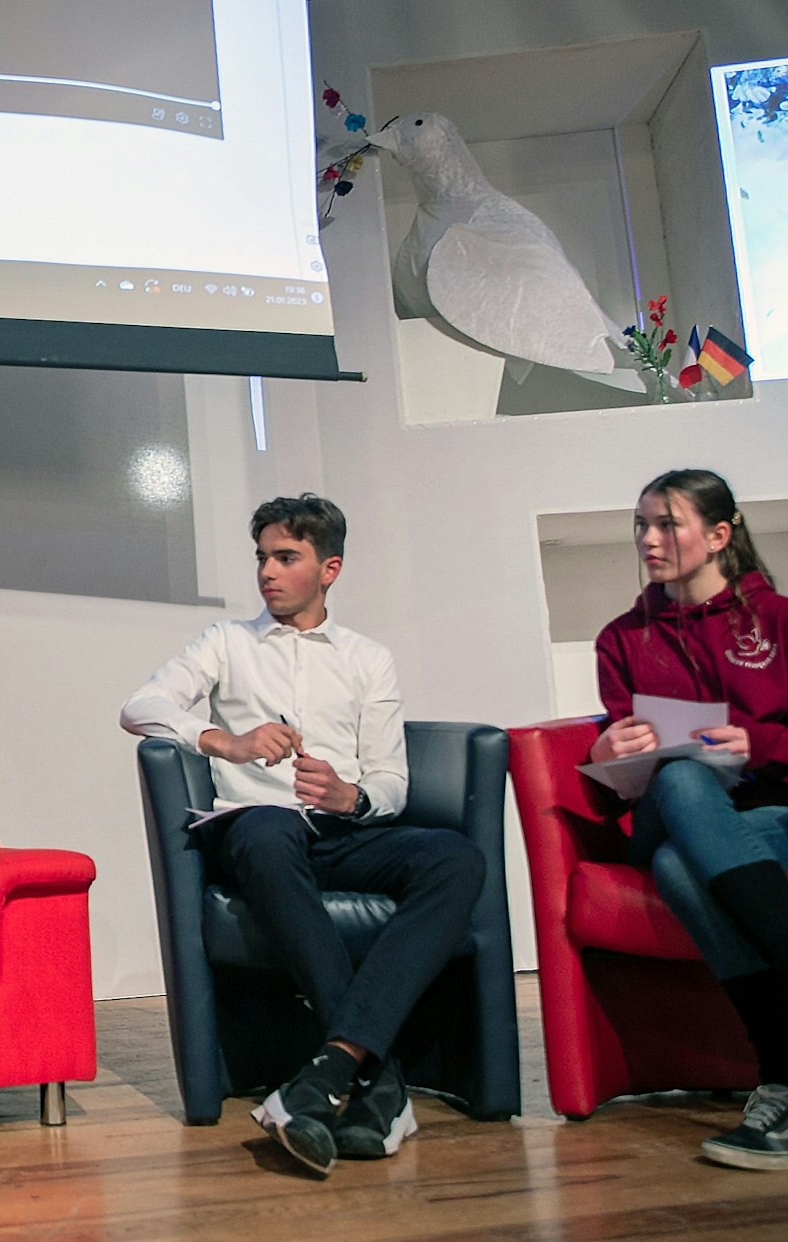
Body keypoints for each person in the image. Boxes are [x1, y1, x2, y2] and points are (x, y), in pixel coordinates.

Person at [119, 494, 484, 1179]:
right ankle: (378, 1080)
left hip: (341, 832)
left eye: (286, 558)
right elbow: (140, 706)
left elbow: (392, 782)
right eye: (262, 557)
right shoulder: (227, 643)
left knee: (456, 859)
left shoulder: (368, 659)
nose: (267, 572)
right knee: (265, 830)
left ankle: (332, 1072)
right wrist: (224, 741)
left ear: (330, 568)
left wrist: (355, 796)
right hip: (259, 832)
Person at [590, 468, 788, 1171]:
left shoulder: (779, 620)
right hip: (670, 816)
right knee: (686, 781)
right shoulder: (622, 639)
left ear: (719, 535)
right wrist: (608, 749)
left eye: (667, 523)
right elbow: (622, 774)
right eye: (641, 524)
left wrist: (761, 743)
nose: (649, 539)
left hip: (779, 821)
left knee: (677, 865)